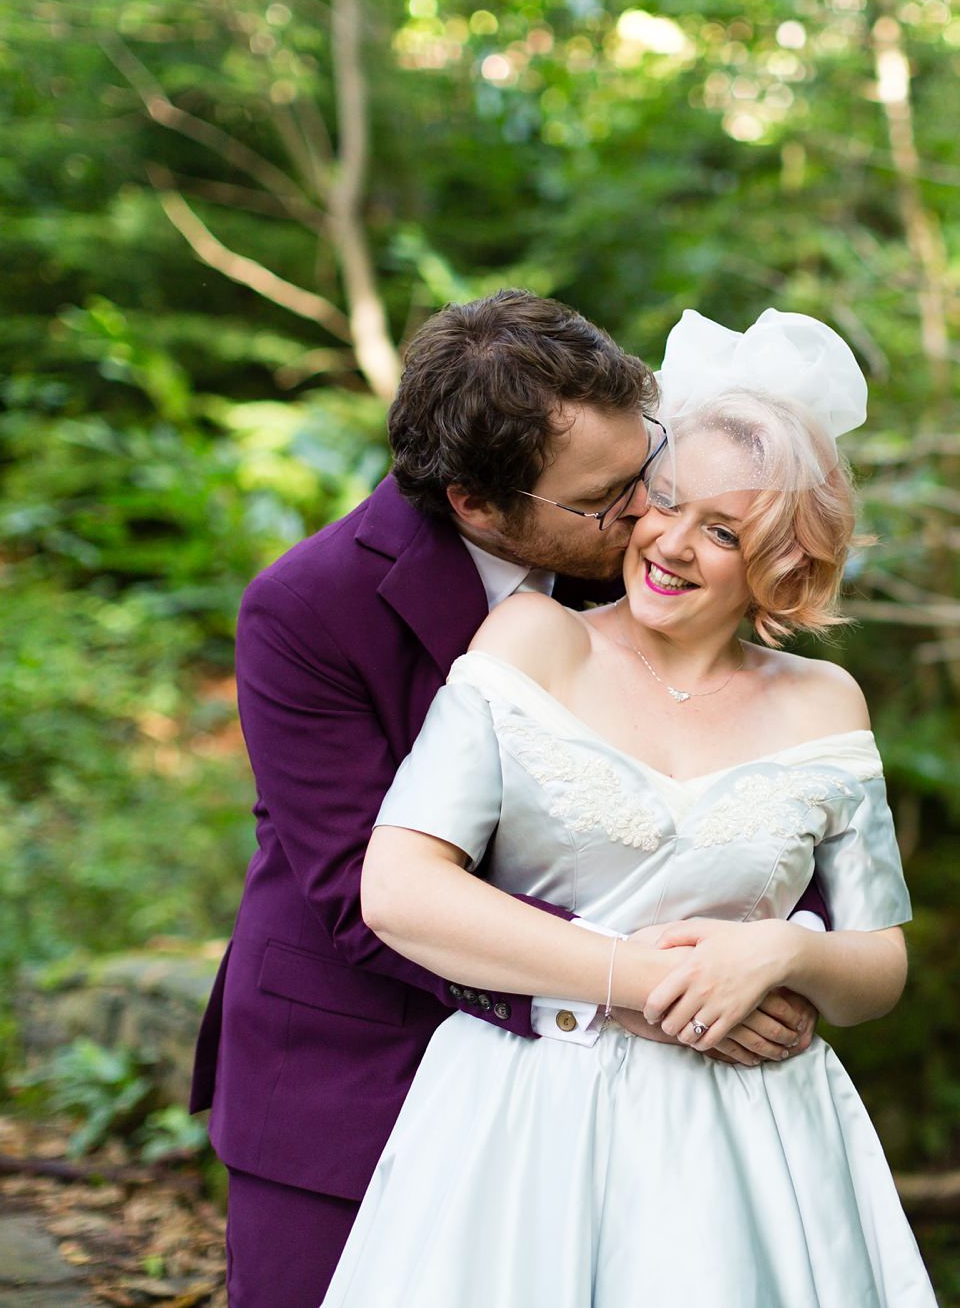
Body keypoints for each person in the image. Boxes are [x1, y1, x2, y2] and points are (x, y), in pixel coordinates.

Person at [188, 291, 830, 1308]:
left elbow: (752, 761)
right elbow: (365, 894)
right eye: (606, 497)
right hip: (355, 1065)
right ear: (475, 504)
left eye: (647, 462)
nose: (647, 512)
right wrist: (634, 985)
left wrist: (771, 950)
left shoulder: (648, 556)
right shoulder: (305, 612)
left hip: (609, 1100)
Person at [324, 308, 937, 1305]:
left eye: (723, 531)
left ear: (783, 561)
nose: (670, 541)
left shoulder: (824, 703)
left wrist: (782, 953)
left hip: (752, 1138)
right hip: (528, 1118)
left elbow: (878, 969)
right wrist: (642, 980)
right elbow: (397, 889)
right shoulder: (535, 640)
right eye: (661, 500)